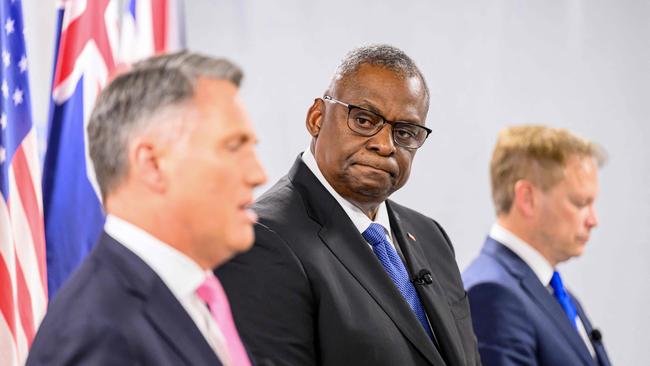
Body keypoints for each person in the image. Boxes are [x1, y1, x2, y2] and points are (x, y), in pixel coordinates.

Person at [216, 44, 480, 366]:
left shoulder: (430, 236)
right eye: (365, 120)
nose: (385, 145)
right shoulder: (262, 238)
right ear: (316, 118)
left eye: (405, 132)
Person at [26, 51, 267, 366]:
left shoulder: (191, 294)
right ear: (152, 165)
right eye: (233, 146)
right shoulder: (98, 334)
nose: (258, 174)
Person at [463, 125, 611, 366]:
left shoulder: (551, 290)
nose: (593, 220)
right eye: (580, 202)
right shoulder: (493, 295)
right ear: (527, 198)